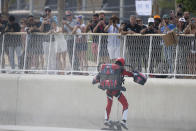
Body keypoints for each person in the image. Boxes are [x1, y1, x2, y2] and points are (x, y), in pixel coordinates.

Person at [92, 57, 133, 128]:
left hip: (108, 90)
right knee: (125, 104)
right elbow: (129, 74)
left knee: (109, 104)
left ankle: (106, 120)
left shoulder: (108, 69)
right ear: (122, 63)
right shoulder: (120, 69)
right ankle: (123, 121)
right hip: (116, 91)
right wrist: (134, 73)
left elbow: (97, 78)